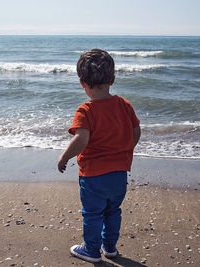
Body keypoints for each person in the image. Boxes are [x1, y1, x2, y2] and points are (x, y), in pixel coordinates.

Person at [57, 48, 141, 263]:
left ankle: (92, 251)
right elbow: (136, 131)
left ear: (81, 82)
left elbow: (81, 139)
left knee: (93, 214)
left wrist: (64, 157)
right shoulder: (124, 105)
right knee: (113, 210)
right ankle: (110, 247)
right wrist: (126, 149)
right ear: (112, 79)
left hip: (94, 175)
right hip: (120, 173)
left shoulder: (85, 110)